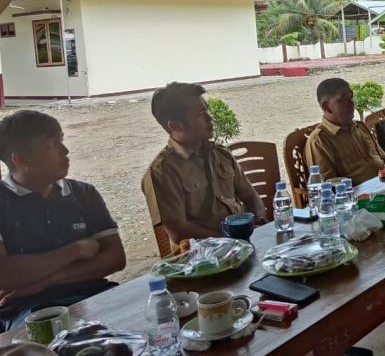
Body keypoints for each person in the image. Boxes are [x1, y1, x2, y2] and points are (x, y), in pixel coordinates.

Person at [0, 111, 126, 332]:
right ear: (20, 159)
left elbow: (115, 258)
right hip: (27, 309)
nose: (65, 150)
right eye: (51, 145)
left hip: (93, 293)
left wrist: (47, 280)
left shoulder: (83, 193)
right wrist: (75, 251)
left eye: (61, 140)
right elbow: (5, 275)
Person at [142, 82, 266, 248]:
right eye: (201, 114)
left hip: (243, 245)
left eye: (207, 110)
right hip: (204, 255)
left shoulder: (220, 154)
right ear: (175, 125)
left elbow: (250, 196)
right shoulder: (162, 172)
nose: (210, 118)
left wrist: (258, 223)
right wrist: (229, 241)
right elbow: (179, 231)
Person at [305, 78, 385, 184]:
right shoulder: (319, 140)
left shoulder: (359, 127)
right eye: (344, 99)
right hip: (359, 193)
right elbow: (326, 186)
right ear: (326, 106)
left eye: (351, 97)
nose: (351, 103)